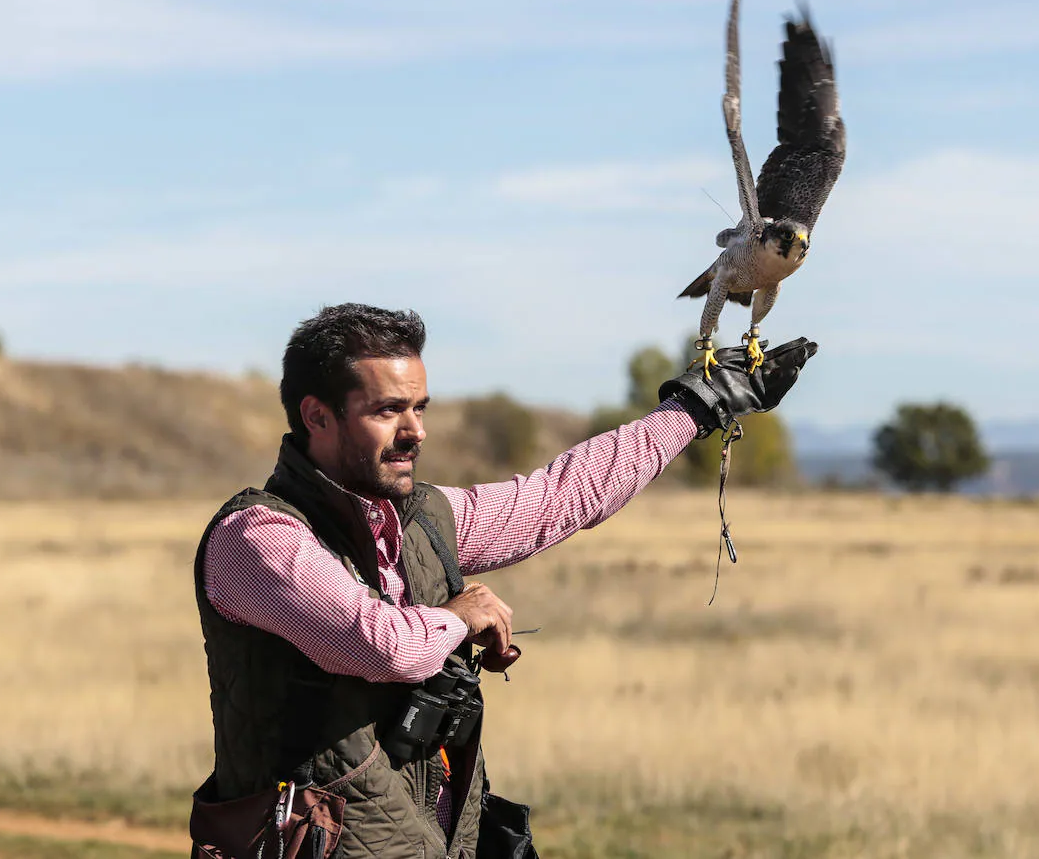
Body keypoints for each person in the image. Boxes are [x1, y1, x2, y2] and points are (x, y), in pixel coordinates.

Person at [189, 303, 817, 858]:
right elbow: (379, 645)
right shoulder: (257, 537)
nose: (416, 431)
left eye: (420, 407)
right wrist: (460, 615)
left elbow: (558, 497)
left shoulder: (425, 517)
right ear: (316, 416)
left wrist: (694, 407)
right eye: (388, 410)